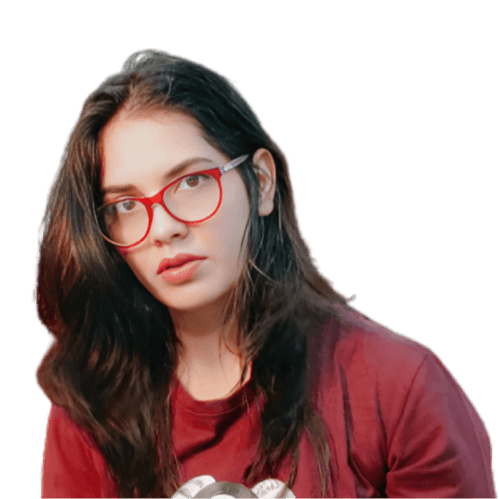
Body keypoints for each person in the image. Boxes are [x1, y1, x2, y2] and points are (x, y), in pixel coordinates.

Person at [34, 49, 496, 499]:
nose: (163, 229)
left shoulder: (401, 386)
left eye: (192, 182)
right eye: (125, 206)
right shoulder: (88, 406)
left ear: (262, 182)